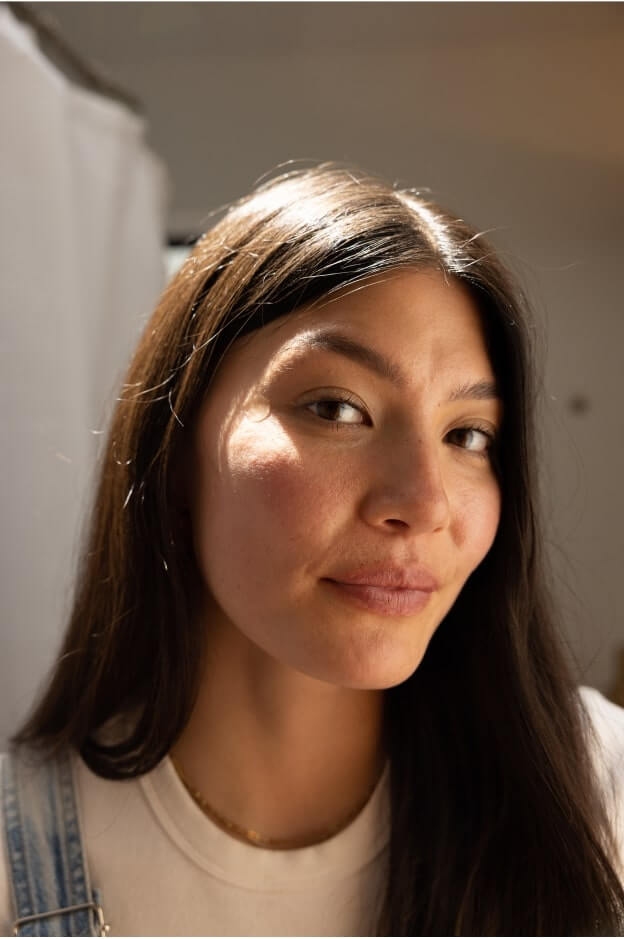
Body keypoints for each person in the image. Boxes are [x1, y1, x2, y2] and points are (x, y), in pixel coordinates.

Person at [1, 164, 623, 937]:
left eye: (466, 434)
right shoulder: (16, 863)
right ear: (177, 447)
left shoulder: (599, 795)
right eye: (337, 408)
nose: (424, 504)